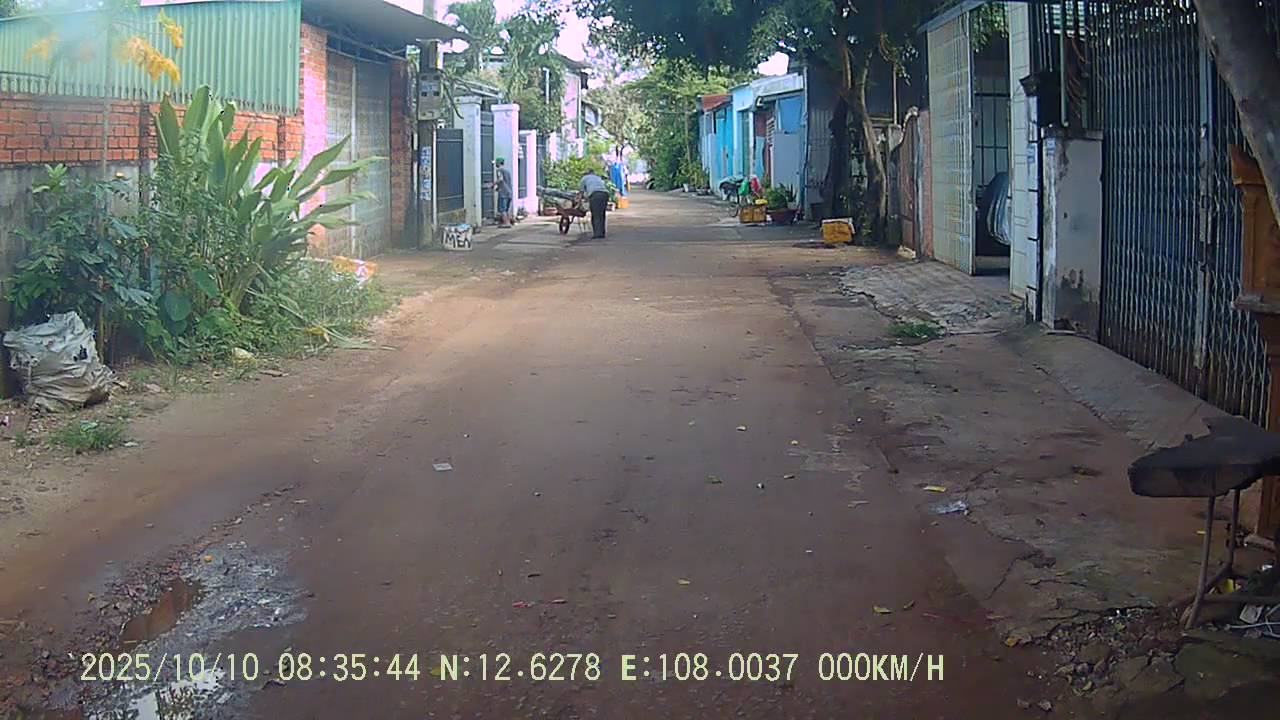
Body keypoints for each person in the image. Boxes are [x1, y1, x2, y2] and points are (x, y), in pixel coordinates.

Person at [579, 167, 609, 238]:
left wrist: (579, 201)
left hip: (595, 195)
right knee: (602, 214)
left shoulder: (584, 178)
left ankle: (597, 234)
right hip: (604, 194)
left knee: (595, 215)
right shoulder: (598, 178)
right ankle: (602, 232)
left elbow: (581, 192)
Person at [495, 157, 513, 228]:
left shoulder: (499, 170)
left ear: (498, 163)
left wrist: (493, 184)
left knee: (502, 209)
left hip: (503, 193)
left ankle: (506, 223)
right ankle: (508, 222)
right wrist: (498, 187)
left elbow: (500, 179)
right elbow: (506, 182)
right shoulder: (507, 172)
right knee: (507, 209)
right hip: (509, 192)